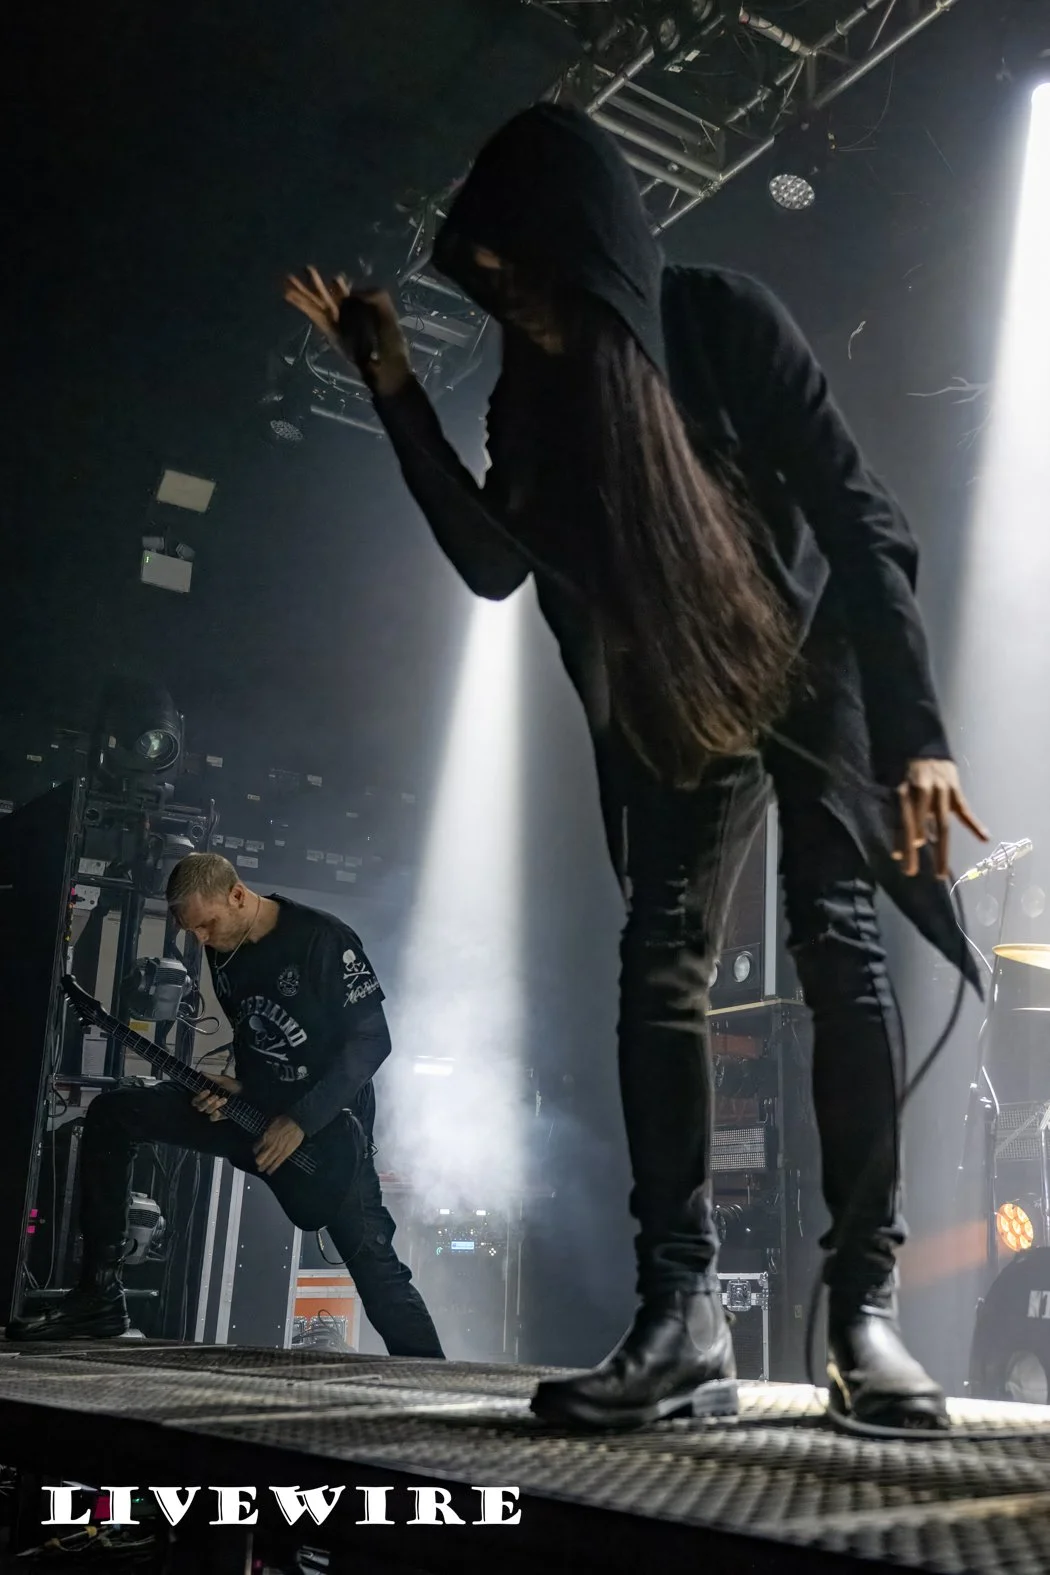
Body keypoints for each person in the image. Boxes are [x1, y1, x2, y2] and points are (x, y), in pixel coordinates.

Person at [284, 103, 988, 1430]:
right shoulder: (535, 399)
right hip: (676, 687)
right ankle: (683, 1317)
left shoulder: (723, 321)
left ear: (586, 253)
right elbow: (494, 563)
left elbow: (862, 521)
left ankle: (862, 1313)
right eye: (495, 291)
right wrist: (394, 390)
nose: (517, 312)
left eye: (529, 281)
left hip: (811, 654)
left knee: (837, 939)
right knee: (658, 956)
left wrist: (917, 739)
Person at [7, 853, 444, 1358]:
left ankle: (435, 1380)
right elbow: (261, 1040)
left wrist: (299, 1121)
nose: (200, 939)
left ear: (237, 895)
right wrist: (236, 1087)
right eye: (191, 930)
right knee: (115, 1112)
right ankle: (99, 1296)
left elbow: (371, 1041)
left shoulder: (322, 939)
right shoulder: (223, 947)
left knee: (376, 1271)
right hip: (252, 1112)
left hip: (326, 1134)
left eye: (206, 924)